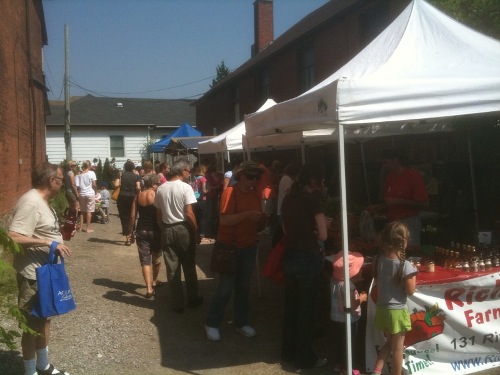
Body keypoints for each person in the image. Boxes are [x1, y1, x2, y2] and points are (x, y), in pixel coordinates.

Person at [9, 162, 73, 375]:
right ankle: (30, 371)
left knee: (45, 317)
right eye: (61, 180)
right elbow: (14, 235)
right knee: (31, 325)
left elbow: (40, 229)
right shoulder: (31, 202)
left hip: (46, 271)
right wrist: (48, 242)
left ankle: (43, 365)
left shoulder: (44, 201)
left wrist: (59, 234)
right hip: (33, 273)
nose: (63, 184)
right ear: (51, 180)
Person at [205, 161, 266, 342]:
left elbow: (256, 221)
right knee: (225, 287)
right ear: (241, 176)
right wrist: (247, 215)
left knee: (244, 287)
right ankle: (212, 322)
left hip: (248, 246)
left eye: (257, 177)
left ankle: (241, 322)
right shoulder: (230, 193)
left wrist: (262, 220)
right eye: (251, 176)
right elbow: (224, 220)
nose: (254, 180)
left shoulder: (255, 195)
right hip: (230, 247)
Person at [280, 163, 329, 369]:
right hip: (307, 257)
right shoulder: (314, 202)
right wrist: (315, 233)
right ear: (316, 182)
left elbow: (284, 228)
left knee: (291, 306)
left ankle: (287, 351)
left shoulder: (288, 199)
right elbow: (324, 234)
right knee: (307, 309)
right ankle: (305, 357)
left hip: (289, 255)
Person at [154, 158, 203, 313]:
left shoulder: (161, 188)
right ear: (183, 171)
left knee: (172, 268)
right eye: (188, 171)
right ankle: (192, 298)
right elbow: (189, 213)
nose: (189, 174)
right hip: (182, 228)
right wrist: (196, 232)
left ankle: (177, 303)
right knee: (188, 265)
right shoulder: (185, 188)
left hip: (167, 228)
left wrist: (164, 228)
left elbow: (158, 214)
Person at [371, 221, 417, 375]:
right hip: (397, 312)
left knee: (389, 344)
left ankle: (376, 371)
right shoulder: (406, 265)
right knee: (398, 349)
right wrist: (414, 275)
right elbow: (411, 290)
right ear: (403, 242)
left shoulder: (379, 260)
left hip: (382, 309)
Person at [371, 149, 428, 249]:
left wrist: (399, 202)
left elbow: (424, 204)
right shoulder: (390, 176)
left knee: (409, 252)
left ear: (396, 161)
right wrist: (379, 207)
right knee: (393, 252)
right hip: (393, 222)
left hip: (408, 222)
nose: (385, 166)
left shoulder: (412, 176)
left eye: (386, 162)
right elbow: (390, 202)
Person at [330, 251, 368, 374]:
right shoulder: (349, 286)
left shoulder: (334, 281)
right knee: (350, 343)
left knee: (340, 341)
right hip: (349, 319)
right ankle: (349, 368)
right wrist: (361, 299)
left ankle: (338, 364)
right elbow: (352, 305)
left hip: (337, 318)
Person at [130, 174, 164, 298]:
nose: (159, 186)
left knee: (145, 261)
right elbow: (160, 215)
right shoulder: (156, 195)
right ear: (154, 184)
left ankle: (149, 288)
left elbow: (133, 216)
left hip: (141, 229)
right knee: (156, 258)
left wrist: (130, 232)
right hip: (155, 230)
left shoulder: (138, 196)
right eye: (158, 183)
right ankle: (154, 280)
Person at [272, 162, 299, 247]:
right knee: (283, 232)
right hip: (284, 210)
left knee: (280, 231)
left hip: (282, 209)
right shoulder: (287, 179)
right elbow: (289, 193)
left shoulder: (284, 178)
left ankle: (276, 246)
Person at [117, 160, 141, 245]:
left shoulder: (122, 175)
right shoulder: (136, 176)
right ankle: (131, 235)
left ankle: (127, 237)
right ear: (133, 167)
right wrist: (138, 195)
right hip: (133, 197)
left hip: (122, 196)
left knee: (124, 217)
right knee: (132, 217)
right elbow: (138, 187)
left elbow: (117, 185)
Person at [75, 160, 97, 233]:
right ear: (89, 165)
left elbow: (77, 186)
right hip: (90, 193)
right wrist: (96, 190)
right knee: (89, 211)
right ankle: (88, 228)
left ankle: (81, 228)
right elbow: (94, 184)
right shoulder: (92, 173)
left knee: (82, 211)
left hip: (82, 193)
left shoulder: (79, 174)